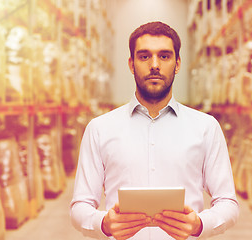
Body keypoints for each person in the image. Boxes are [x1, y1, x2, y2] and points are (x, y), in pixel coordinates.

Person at [70, 21, 239, 240]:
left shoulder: (206, 127)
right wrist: (103, 223)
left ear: (177, 64)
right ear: (131, 64)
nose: (155, 65)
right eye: (144, 56)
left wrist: (200, 224)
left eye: (165, 56)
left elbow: (228, 203)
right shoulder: (100, 129)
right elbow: (80, 206)